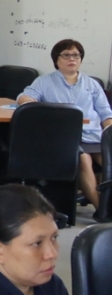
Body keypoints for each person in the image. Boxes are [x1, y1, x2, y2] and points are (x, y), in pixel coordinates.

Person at [17, 39, 112, 211]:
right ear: (56, 59)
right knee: (83, 159)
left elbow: (105, 112)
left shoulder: (92, 84)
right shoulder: (44, 82)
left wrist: (109, 133)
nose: (72, 59)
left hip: (94, 136)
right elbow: (24, 97)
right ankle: (103, 210)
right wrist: (31, 102)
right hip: (65, 138)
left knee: (109, 159)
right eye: (66, 55)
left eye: (76, 55)